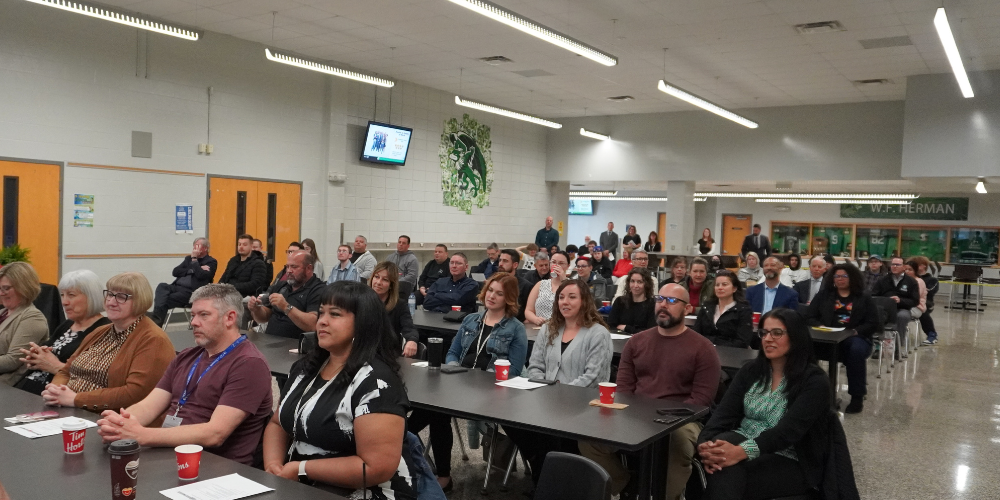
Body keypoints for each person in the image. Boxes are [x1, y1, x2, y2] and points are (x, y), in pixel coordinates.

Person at [261, 281, 422, 499]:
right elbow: (277, 422)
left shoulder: (376, 382)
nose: (322, 322)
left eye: (335, 314)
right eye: (321, 313)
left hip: (366, 491)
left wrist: (300, 468)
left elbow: (376, 467)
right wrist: (273, 466)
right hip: (301, 483)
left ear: (363, 323)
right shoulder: (305, 369)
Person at [94, 284, 273, 464]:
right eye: (193, 315)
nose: (193, 322)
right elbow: (149, 406)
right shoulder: (187, 356)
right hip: (170, 454)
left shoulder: (248, 364)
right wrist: (120, 424)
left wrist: (141, 435)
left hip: (214, 466)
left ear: (230, 318)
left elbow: (215, 434)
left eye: (204, 315)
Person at [581, 283, 720, 500]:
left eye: (672, 301)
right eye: (660, 299)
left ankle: (662, 496)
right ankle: (626, 486)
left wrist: (663, 420)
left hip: (682, 419)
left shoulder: (703, 348)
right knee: (590, 438)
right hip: (635, 412)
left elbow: (701, 400)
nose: (663, 305)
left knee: (677, 444)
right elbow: (625, 388)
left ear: (688, 309)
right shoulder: (637, 342)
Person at [697, 308, 835, 500]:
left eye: (777, 333)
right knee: (712, 462)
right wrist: (705, 445)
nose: (768, 339)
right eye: (764, 333)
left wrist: (740, 452)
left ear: (795, 336)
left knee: (723, 471)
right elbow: (722, 414)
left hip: (789, 456)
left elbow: (787, 432)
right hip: (741, 440)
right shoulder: (751, 371)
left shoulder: (814, 381)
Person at [413, 273, 529, 490]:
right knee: (435, 411)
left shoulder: (515, 328)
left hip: (491, 393)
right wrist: (456, 370)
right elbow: (453, 353)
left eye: (499, 293)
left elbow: (513, 369)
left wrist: (481, 378)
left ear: (509, 298)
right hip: (459, 385)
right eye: (491, 290)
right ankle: (440, 474)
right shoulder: (470, 320)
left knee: (435, 413)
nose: (492, 296)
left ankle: (434, 468)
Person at [44, 272, 175, 415]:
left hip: (108, 418)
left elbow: (134, 393)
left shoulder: (153, 340)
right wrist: (55, 390)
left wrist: (76, 399)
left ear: (139, 300)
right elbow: (66, 371)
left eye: (121, 297)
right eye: (110, 294)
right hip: (69, 408)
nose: (111, 302)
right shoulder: (100, 332)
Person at [16, 270, 110, 394]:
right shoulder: (67, 324)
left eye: (71, 295)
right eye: (62, 295)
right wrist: (36, 356)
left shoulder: (104, 329)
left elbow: (95, 377)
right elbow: (49, 350)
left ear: (91, 296)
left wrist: (55, 366)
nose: (64, 302)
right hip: (27, 389)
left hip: (56, 396)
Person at [805, 264, 878, 414]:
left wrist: (856, 332)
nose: (840, 279)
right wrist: (821, 326)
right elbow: (810, 316)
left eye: (844, 276)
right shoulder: (824, 295)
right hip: (827, 336)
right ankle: (809, 392)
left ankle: (857, 396)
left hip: (855, 337)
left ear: (852, 278)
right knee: (803, 346)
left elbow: (873, 322)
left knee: (856, 351)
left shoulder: (864, 297)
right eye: (837, 276)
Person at [249, 250, 325, 339]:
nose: (289, 271)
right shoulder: (282, 286)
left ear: (308, 268)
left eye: (294, 267)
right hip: (270, 342)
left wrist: (286, 307)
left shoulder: (318, 289)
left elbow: (313, 325)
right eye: (287, 267)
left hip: (295, 347)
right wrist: (256, 309)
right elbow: (264, 317)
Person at [0, 262, 50, 386]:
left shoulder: (32, 317)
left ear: (23, 287)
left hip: (10, 387)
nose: (1, 293)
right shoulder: (3, 312)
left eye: (6, 288)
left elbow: (13, 361)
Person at [151, 237, 218, 327]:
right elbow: (175, 272)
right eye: (194, 245)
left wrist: (194, 260)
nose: (194, 248)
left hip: (191, 292)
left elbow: (202, 275)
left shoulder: (211, 262)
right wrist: (191, 270)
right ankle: (155, 323)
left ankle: (156, 325)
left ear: (205, 248)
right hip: (176, 286)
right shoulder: (188, 259)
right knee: (162, 286)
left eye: (197, 246)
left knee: (165, 299)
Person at [872, 256, 919, 358]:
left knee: (902, 317)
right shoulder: (882, 280)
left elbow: (915, 301)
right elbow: (874, 295)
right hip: (885, 309)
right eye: (893, 264)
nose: (894, 267)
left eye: (897, 265)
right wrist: (886, 300)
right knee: (877, 315)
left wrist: (900, 300)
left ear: (904, 267)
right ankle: (878, 347)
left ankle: (898, 348)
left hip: (902, 308)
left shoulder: (911, 282)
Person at [693, 270, 754, 348]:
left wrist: (716, 345)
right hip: (705, 350)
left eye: (724, 284)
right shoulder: (707, 306)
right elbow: (696, 333)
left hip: (731, 353)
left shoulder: (743, 310)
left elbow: (742, 341)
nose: (720, 288)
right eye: (717, 285)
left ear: (734, 288)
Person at [369, 262, 418, 358]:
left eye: (385, 280)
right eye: (376, 277)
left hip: (387, 355)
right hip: (365, 354)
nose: (378, 282)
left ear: (391, 284)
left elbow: (409, 328)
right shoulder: (361, 301)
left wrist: (412, 340)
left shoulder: (400, 305)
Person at [525, 252, 570, 327]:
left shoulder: (572, 285)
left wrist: (563, 280)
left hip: (563, 327)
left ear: (568, 266)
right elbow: (528, 310)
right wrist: (535, 319)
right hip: (541, 328)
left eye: (561, 263)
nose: (556, 265)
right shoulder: (540, 284)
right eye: (553, 262)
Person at [609, 269, 656, 334]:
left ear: (647, 284)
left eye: (639, 282)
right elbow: (610, 326)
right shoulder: (620, 302)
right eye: (632, 281)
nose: (635, 285)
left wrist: (626, 328)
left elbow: (650, 332)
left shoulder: (652, 304)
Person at [913, 256, 939, 345]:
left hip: (925, 302)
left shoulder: (932, 280)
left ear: (924, 266)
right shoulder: (910, 278)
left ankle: (932, 334)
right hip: (910, 300)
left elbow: (929, 291)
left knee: (922, 310)